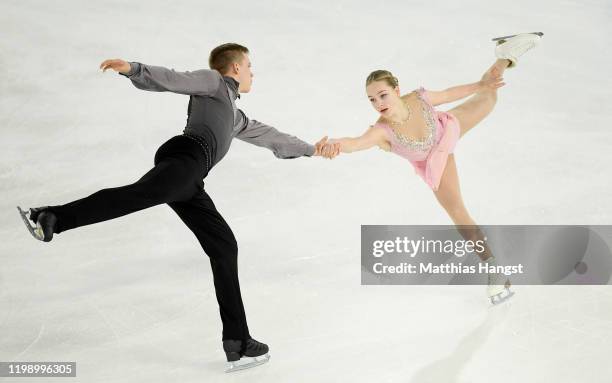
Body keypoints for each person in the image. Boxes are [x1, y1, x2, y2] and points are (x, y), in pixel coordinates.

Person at [17, 43, 337, 371]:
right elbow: (175, 79)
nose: (253, 72)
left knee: (224, 247)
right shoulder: (213, 82)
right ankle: (52, 216)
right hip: (184, 158)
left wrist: (311, 149)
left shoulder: (234, 115)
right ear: (236, 68)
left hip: (190, 178)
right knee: (137, 195)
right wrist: (134, 69)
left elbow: (269, 135)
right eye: (250, 66)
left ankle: (238, 342)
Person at [320, 32, 543, 304]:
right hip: (437, 163)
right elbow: (355, 143)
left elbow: (449, 94)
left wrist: (480, 83)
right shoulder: (382, 132)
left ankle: (505, 55)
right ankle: (494, 271)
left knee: (488, 97)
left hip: (448, 128)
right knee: (459, 213)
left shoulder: (418, 99)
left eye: (383, 95)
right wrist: (334, 144)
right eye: (372, 100)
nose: (379, 104)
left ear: (396, 90)